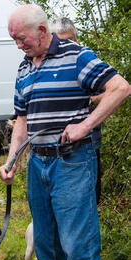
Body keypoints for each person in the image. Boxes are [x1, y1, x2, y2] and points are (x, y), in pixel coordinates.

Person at [0, 4, 130, 260]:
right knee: (47, 246)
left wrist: (85, 125)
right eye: (14, 40)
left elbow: (120, 88)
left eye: (21, 39)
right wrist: (11, 161)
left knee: (77, 246)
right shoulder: (24, 66)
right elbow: (22, 118)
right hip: (37, 165)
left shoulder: (77, 56)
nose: (18, 45)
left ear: (42, 31)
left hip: (72, 162)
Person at [49, 17, 103, 203]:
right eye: (60, 40)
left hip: (86, 142)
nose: (65, 45)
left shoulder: (87, 59)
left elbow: (113, 92)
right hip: (55, 146)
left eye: (69, 40)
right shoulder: (48, 64)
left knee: (86, 198)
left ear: (76, 39)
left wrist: (89, 99)